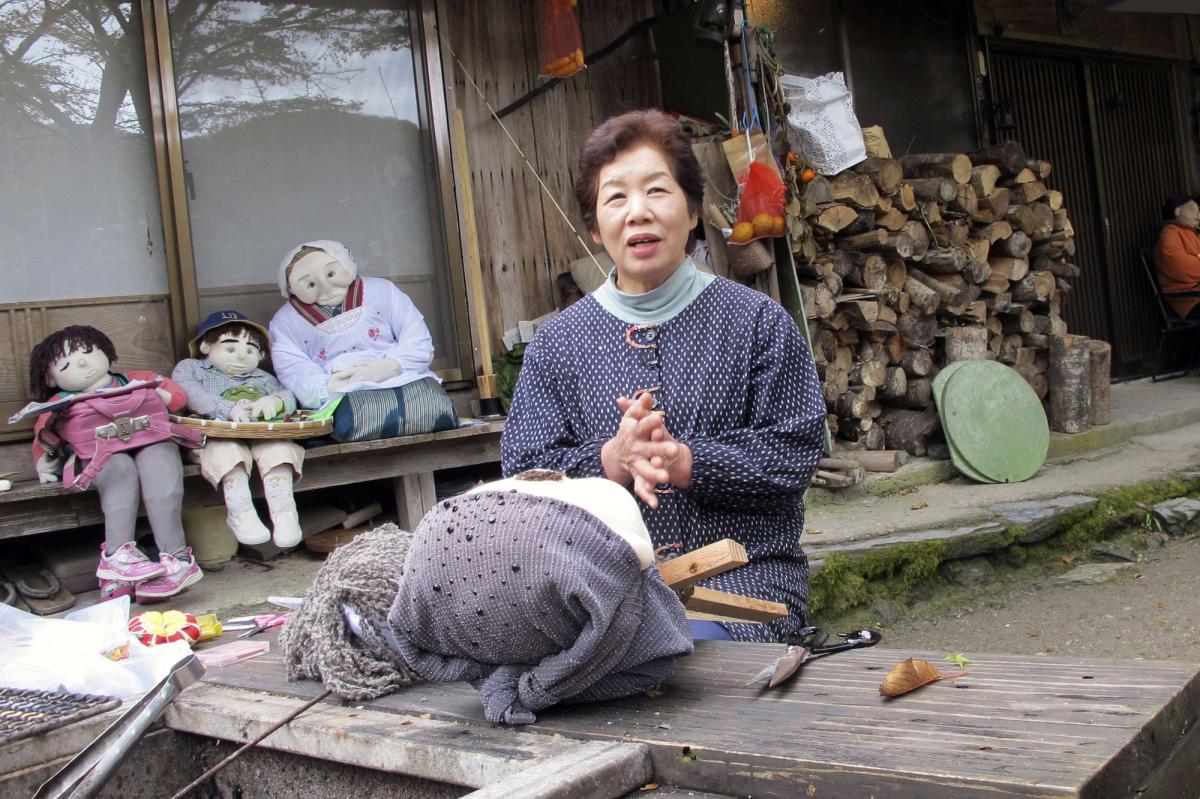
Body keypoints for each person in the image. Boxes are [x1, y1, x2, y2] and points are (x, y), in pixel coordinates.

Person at [500, 109, 826, 643]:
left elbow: (791, 456)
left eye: (657, 191)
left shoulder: (759, 324)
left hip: (743, 581)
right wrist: (611, 460)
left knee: (678, 660)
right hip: (599, 588)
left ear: (693, 210)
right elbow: (523, 481)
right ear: (593, 225)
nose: (638, 213)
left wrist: (684, 462)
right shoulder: (558, 344)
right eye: (616, 198)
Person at [281, 471, 693, 724]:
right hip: (562, 558)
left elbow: (410, 634)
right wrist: (532, 687)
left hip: (437, 537)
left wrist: (483, 671)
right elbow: (615, 626)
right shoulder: (608, 495)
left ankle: (507, 657)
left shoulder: (476, 499)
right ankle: (529, 669)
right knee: (652, 638)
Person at [27, 326, 204, 603]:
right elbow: (45, 433)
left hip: (152, 441)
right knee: (119, 469)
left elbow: (176, 396)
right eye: (67, 363)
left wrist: (167, 396)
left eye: (88, 352)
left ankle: (177, 559)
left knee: (160, 462)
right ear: (50, 378)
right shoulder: (59, 403)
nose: (83, 362)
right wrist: (44, 463)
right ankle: (117, 561)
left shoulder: (134, 379)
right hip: (101, 454)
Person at [268, 239, 458, 441]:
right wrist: (328, 385)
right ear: (291, 289)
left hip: (401, 376)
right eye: (310, 284)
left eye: (331, 274)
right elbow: (293, 369)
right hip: (342, 391)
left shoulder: (383, 291)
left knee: (429, 403)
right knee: (347, 417)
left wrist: (393, 365)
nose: (325, 287)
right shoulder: (286, 321)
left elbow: (417, 338)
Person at [171, 311, 306, 548]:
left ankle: (284, 512)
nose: (242, 356)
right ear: (205, 346)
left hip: (260, 434)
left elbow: (288, 395)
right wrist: (227, 407)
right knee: (227, 452)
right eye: (230, 348)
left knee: (279, 449)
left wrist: (275, 401)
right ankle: (240, 511)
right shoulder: (191, 368)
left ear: (262, 355)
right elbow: (189, 392)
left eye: (251, 350)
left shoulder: (263, 378)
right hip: (216, 435)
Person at [1153, 194, 1200, 320]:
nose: (1198, 215)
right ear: (1177, 211)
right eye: (1192, 209)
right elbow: (1180, 266)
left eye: (1198, 210)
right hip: (1190, 300)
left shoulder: (1194, 232)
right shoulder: (1170, 234)